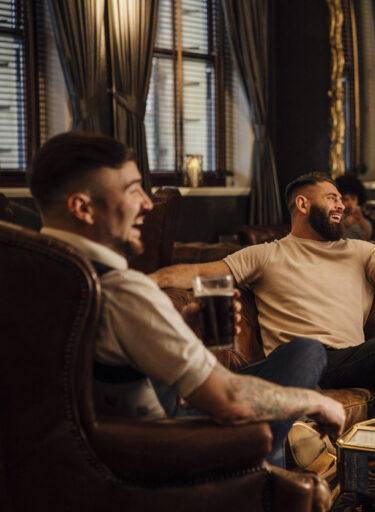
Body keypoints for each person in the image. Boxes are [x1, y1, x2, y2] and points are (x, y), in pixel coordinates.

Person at [28, 131, 345, 468]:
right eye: (133, 190)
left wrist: (180, 330)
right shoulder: (121, 291)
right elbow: (230, 399)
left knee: (305, 350)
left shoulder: (24, 274)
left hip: (74, 462)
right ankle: (261, 477)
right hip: (159, 457)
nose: (148, 204)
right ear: (82, 207)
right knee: (293, 385)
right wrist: (314, 402)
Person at [151, 173, 375, 419]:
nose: (341, 205)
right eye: (332, 197)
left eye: (341, 199)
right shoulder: (266, 255)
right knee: (305, 353)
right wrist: (147, 281)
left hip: (344, 361)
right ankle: (298, 418)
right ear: (303, 203)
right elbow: (199, 272)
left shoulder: (361, 252)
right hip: (292, 362)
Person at [336, 175, 372, 241]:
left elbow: (365, 244)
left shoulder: (365, 222)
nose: (350, 203)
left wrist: (363, 224)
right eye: (346, 199)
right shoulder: (335, 220)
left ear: (359, 200)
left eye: (353, 199)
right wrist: (345, 225)